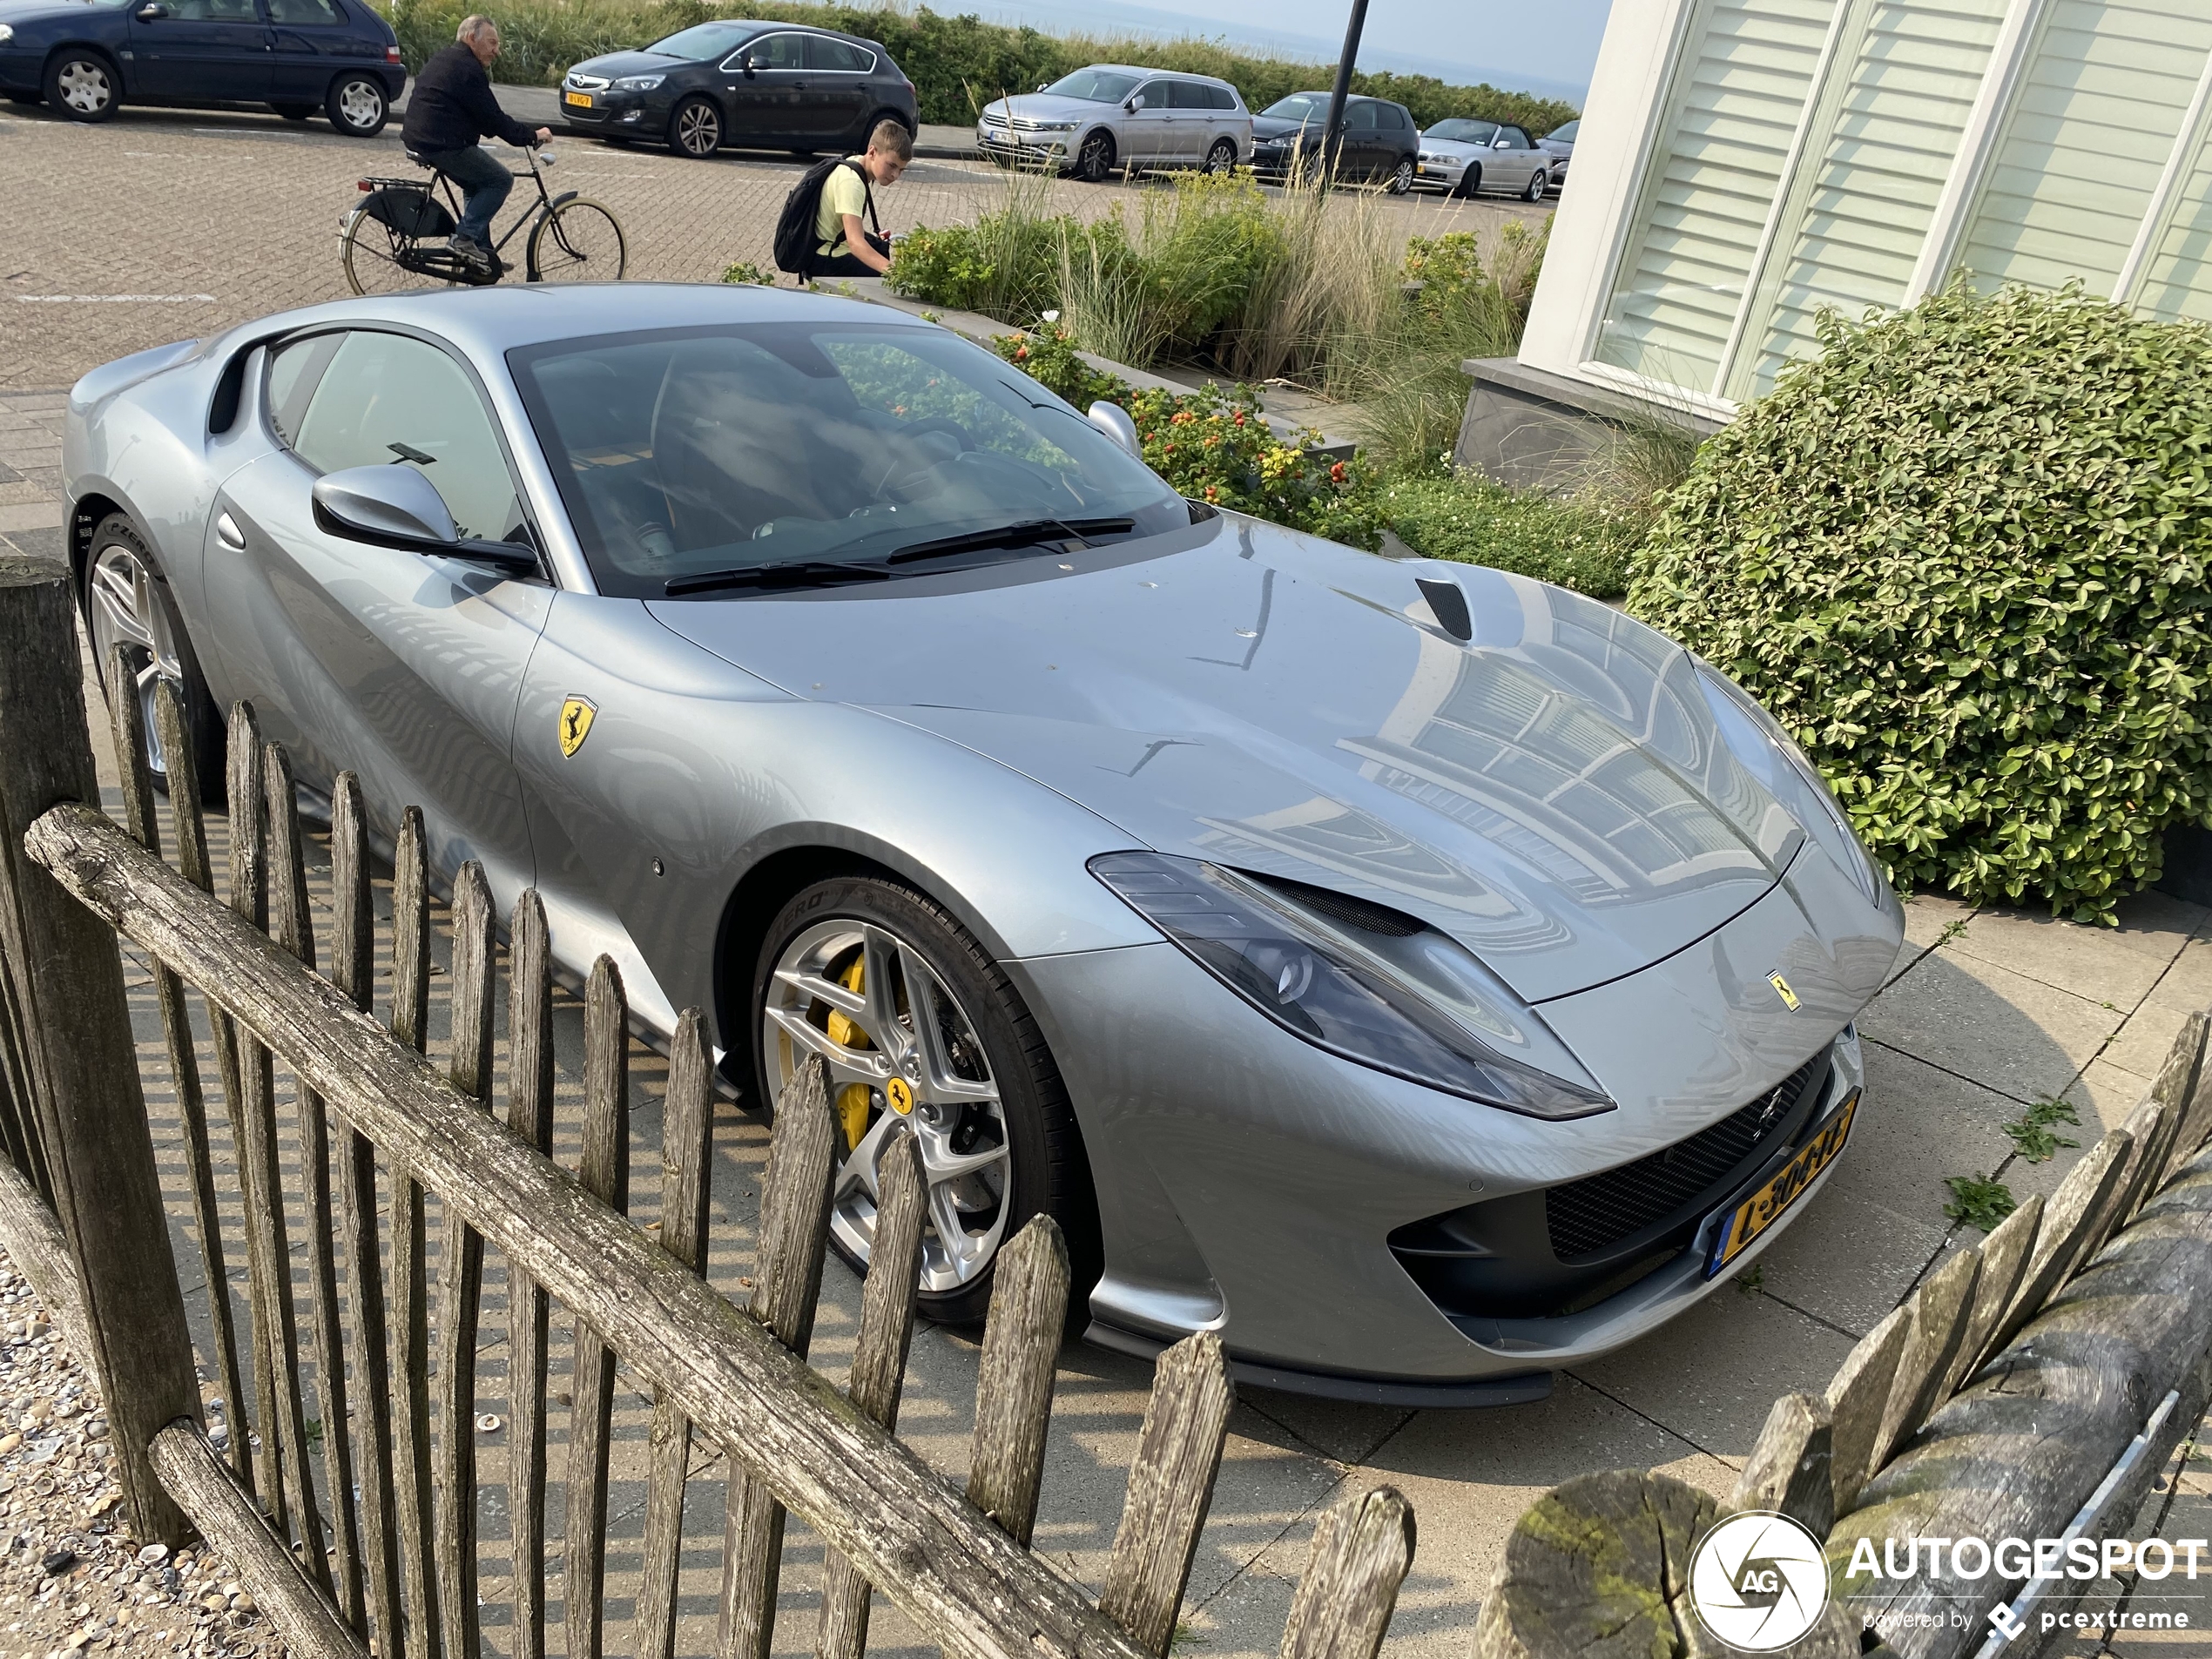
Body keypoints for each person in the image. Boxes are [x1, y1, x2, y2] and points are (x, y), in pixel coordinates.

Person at [401, 15, 553, 273]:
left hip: (422, 137)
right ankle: (463, 240)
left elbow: (481, 117)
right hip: (443, 143)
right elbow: (493, 119)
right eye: (492, 43)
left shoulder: (444, 58)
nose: (497, 51)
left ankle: (481, 255)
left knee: (477, 184)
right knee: (500, 180)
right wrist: (531, 135)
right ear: (472, 38)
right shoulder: (468, 69)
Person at [808, 120, 912, 278]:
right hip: (827, 259)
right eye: (891, 165)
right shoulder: (852, 183)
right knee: (888, 281)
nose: (895, 175)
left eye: (901, 169)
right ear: (872, 152)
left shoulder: (855, 162)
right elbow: (855, 243)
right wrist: (899, 273)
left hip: (826, 249)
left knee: (879, 254)